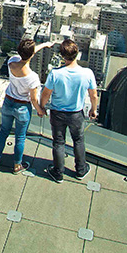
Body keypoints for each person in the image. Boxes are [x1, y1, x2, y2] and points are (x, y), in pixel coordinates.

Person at [40, 39, 97, 183]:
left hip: (57, 113)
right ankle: (80, 170)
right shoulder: (87, 73)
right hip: (76, 113)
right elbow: (93, 95)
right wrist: (93, 110)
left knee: (59, 142)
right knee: (78, 141)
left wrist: (42, 106)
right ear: (77, 54)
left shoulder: (55, 73)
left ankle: (58, 173)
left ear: (62, 56)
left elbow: (46, 93)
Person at [0, 38, 51, 174]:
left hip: (8, 102)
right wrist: (40, 110)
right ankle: (17, 165)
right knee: (20, 137)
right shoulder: (33, 78)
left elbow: (26, 53)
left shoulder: (11, 62)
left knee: (3, 132)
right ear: (32, 55)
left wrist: (44, 45)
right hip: (22, 107)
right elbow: (34, 99)